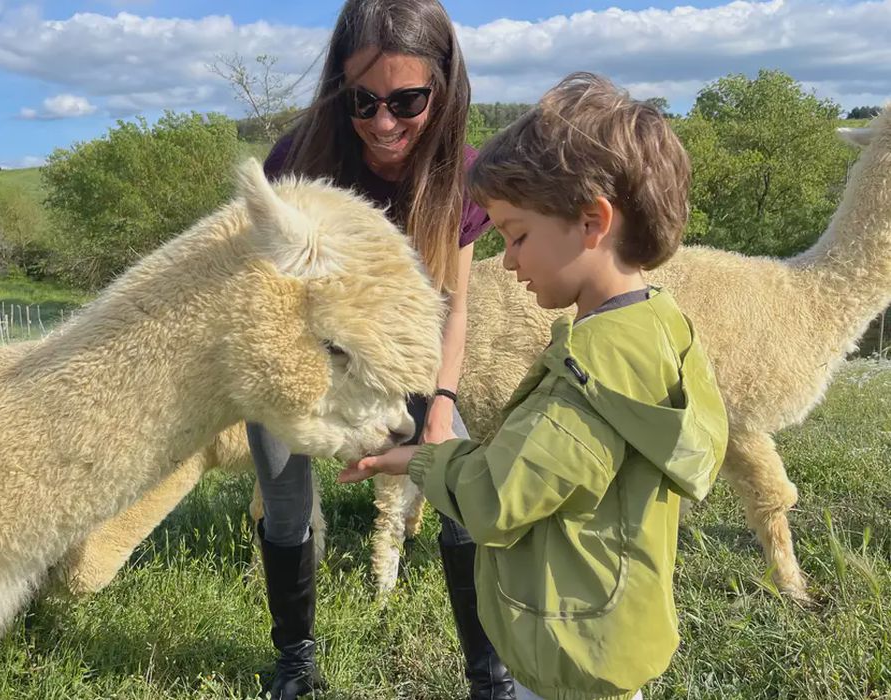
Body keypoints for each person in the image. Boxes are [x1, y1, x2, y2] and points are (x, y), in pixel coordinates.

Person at [339, 72, 730, 700]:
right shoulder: (660, 327)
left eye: (517, 235)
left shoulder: (591, 375)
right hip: (610, 628)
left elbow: (497, 500)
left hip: (565, 651)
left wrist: (422, 461)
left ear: (593, 221)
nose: (510, 260)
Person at [246, 1, 514, 698]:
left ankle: (489, 678)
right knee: (282, 495)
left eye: (407, 100)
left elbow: (453, 308)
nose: (383, 123)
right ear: (340, 87)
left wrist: (441, 406)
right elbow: (266, 299)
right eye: (362, 101)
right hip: (307, 355)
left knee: (461, 480)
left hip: (408, 357)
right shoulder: (298, 161)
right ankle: (296, 660)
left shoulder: (461, 176)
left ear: (445, 88)